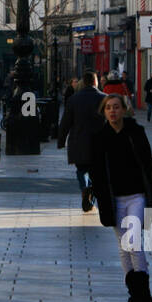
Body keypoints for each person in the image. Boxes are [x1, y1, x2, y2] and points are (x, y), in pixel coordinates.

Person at [85, 93, 152, 302]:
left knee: (133, 242)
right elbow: (95, 170)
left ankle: (143, 293)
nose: (113, 111)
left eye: (116, 107)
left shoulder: (135, 132)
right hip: (113, 199)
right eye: (108, 108)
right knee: (124, 246)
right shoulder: (99, 137)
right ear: (104, 112)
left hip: (136, 195)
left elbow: (147, 164)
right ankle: (134, 293)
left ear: (124, 109)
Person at [57, 71, 106, 211]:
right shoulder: (104, 98)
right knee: (97, 172)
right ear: (95, 82)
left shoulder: (74, 99)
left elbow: (65, 122)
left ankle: (85, 188)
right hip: (99, 143)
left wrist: (61, 140)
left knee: (81, 170)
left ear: (83, 82)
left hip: (79, 141)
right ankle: (91, 193)